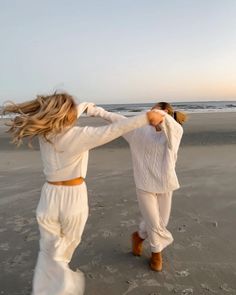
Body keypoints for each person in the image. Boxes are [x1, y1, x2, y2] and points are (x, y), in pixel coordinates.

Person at [3, 92, 164, 294]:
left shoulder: (46, 134)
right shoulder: (78, 136)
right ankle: (59, 289)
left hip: (48, 198)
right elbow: (113, 130)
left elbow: (66, 119)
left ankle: (45, 287)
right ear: (67, 114)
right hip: (72, 199)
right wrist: (146, 118)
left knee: (49, 252)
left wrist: (85, 105)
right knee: (63, 255)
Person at [87, 102, 187, 272]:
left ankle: (139, 236)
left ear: (167, 116)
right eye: (151, 110)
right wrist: (95, 110)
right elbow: (115, 118)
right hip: (144, 184)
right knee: (154, 222)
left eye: (157, 111)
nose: (150, 114)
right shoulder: (137, 131)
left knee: (162, 222)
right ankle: (157, 254)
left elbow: (171, 126)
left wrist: (159, 115)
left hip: (166, 183)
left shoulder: (174, 132)